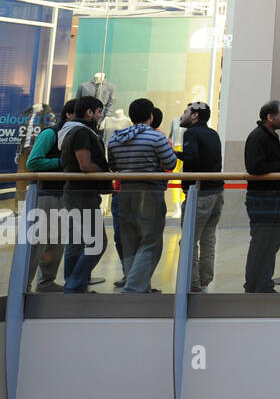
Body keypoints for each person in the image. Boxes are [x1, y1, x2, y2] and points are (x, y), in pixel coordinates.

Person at [106, 98, 177, 293]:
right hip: (150, 192)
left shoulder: (115, 138)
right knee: (150, 240)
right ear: (151, 116)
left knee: (129, 240)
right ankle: (135, 288)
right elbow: (170, 163)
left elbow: (113, 166)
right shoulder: (157, 138)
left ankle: (137, 283)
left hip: (125, 192)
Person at [58, 96, 111, 293]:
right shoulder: (82, 133)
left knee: (77, 241)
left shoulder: (71, 131)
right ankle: (74, 285)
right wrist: (106, 173)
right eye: (98, 112)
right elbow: (85, 165)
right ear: (89, 112)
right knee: (98, 242)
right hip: (82, 194)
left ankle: (74, 285)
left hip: (75, 192)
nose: (100, 116)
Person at [243, 100, 280, 293]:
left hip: (272, 197)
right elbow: (255, 167)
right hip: (261, 199)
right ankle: (253, 284)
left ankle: (264, 282)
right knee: (261, 241)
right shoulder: (258, 137)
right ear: (270, 117)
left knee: (272, 241)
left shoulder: (270, 136)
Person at [24, 100, 76, 292]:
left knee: (57, 241)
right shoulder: (50, 133)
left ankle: (46, 281)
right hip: (46, 193)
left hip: (64, 194)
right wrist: (62, 162)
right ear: (70, 114)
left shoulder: (72, 135)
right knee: (38, 242)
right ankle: (24, 283)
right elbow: (33, 162)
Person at [175, 101, 223, 293]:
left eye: (186, 112)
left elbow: (193, 157)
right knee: (208, 238)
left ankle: (192, 283)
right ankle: (204, 281)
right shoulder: (213, 134)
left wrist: (174, 153)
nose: (182, 115)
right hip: (217, 192)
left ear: (195, 115)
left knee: (188, 239)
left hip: (200, 194)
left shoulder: (191, 133)